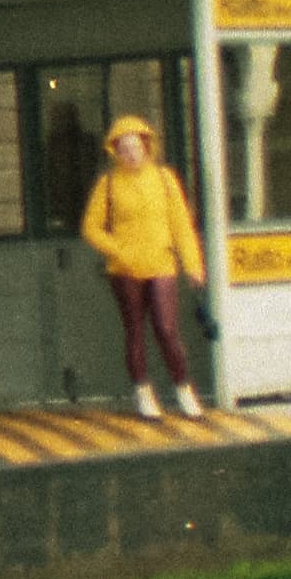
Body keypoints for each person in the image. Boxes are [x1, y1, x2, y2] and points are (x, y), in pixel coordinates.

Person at [78, 115, 204, 419]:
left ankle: (183, 388)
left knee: (166, 329)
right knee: (135, 330)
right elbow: (90, 227)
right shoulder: (108, 184)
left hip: (162, 264)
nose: (131, 153)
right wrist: (118, 250)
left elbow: (181, 226)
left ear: (147, 147)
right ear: (115, 152)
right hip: (125, 269)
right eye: (124, 148)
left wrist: (193, 265)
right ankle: (143, 394)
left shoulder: (164, 179)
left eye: (136, 146)